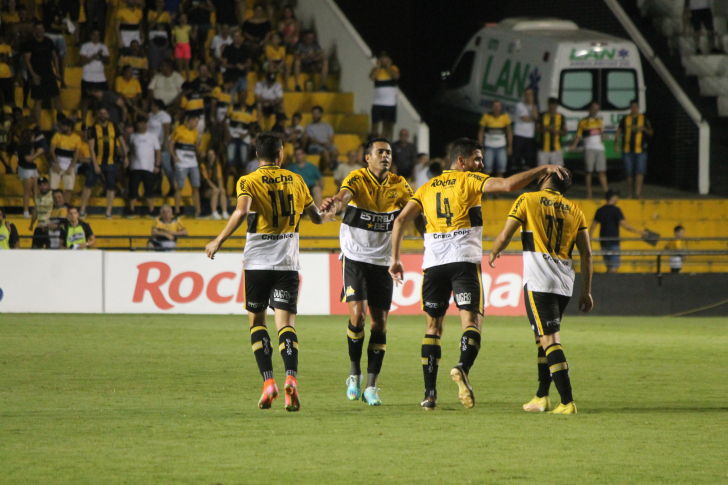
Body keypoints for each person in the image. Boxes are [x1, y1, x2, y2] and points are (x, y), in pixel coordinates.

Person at [389, 138, 567, 410]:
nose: (481, 165)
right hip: (463, 262)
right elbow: (508, 185)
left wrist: (395, 259)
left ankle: (429, 394)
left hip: (433, 264)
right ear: (461, 162)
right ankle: (462, 367)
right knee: (472, 323)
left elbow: (400, 219)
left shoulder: (425, 188)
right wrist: (542, 169)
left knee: (432, 328)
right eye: (477, 159)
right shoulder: (469, 180)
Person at [205, 132, 334, 411]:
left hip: (256, 264)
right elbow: (316, 217)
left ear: (256, 155)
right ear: (281, 154)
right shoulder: (297, 180)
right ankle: (291, 379)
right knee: (286, 325)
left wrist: (218, 240)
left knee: (257, 323)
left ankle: (268, 383)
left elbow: (241, 213)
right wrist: (329, 215)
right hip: (287, 264)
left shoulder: (248, 181)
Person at [320, 138, 422, 405]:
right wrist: (335, 204)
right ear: (368, 158)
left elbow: (416, 212)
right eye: (380, 152)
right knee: (359, 315)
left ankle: (371, 386)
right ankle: (354, 373)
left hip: (382, 261)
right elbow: (344, 197)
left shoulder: (400, 185)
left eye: (388, 152)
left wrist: (431, 240)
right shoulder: (356, 179)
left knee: (380, 324)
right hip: (354, 258)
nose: (386, 156)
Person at [488, 169, 593, 415]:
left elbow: (506, 234)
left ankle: (567, 402)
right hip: (564, 284)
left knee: (549, 340)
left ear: (546, 179)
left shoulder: (527, 200)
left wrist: (494, 251)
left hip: (539, 281)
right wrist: (586, 292)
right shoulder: (575, 209)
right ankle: (541, 396)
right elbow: (587, 254)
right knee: (542, 339)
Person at [80, 108, 129, 219]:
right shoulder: (93, 129)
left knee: (111, 187)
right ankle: (82, 210)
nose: (103, 115)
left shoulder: (114, 127)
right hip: (97, 162)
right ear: (98, 115)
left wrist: (125, 157)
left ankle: (108, 212)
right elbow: (91, 148)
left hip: (111, 162)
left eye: (105, 113)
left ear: (108, 114)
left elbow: (122, 143)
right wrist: (96, 164)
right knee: (88, 185)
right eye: (101, 113)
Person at [589, 190, 649, 273]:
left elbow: (593, 226)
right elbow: (624, 225)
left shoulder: (600, 210)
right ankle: (609, 283)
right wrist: (639, 232)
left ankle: (607, 282)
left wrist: (589, 238)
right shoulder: (616, 210)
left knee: (609, 265)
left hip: (603, 241)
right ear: (613, 198)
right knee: (614, 266)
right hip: (614, 241)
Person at [23, 22, 63, 125]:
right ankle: (39, 125)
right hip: (37, 75)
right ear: (34, 31)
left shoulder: (49, 41)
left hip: (49, 73)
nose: (39, 31)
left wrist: (57, 71)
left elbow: (54, 57)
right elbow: (27, 60)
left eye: (41, 29)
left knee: (56, 97)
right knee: (38, 100)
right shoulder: (30, 43)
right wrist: (34, 75)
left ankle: (61, 121)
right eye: (37, 29)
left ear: (44, 30)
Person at [614, 100, 653, 199]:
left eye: (635, 107)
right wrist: (616, 144)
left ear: (638, 108)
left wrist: (643, 129)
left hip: (640, 150)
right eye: (632, 107)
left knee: (640, 172)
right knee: (629, 172)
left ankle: (638, 193)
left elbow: (651, 133)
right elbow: (619, 131)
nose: (634, 109)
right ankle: (630, 193)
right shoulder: (625, 119)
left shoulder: (643, 119)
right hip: (627, 150)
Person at [570, 101, 607, 199]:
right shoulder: (583, 122)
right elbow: (578, 135)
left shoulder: (599, 121)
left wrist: (604, 136)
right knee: (588, 172)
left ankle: (606, 192)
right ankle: (589, 193)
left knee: (601, 171)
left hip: (600, 149)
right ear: (590, 109)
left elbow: (602, 134)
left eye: (597, 109)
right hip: (589, 149)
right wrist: (574, 146)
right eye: (593, 109)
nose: (595, 111)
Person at [127, 116, 161, 217]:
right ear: (137, 125)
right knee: (133, 189)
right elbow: (129, 151)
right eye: (140, 123)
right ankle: (131, 210)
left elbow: (158, 151)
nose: (142, 125)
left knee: (149, 189)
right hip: (135, 167)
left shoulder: (153, 136)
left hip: (149, 167)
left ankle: (151, 210)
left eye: (144, 123)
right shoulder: (132, 136)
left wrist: (157, 165)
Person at [171, 115, 202, 217]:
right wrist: (174, 156)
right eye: (195, 122)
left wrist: (200, 153)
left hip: (193, 163)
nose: (196, 125)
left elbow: (195, 146)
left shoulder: (195, 132)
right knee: (179, 187)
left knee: (196, 187)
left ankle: (198, 211)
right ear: (190, 119)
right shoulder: (179, 130)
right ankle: (177, 210)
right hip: (181, 163)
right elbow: (171, 145)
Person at [79, 29, 111, 125]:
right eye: (94, 34)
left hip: (101, 78)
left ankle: (100, 121)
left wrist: (100, 56)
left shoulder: (103, 47)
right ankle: (84, 123)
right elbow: (82, 61)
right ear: (90, 36)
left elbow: (108, 61)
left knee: (103, 101)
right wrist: (95, 55)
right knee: (86, 100)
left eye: (98, 35)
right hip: (88, 77)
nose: (96, 37)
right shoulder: (85, 46)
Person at [50, 118, 82, 204]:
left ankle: (66, 206)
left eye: (64, 126)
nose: (62, 128)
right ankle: (53, 207)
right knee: (53, 188)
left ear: (69, 127)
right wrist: (56, 164)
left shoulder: (77, 138)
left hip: (69, 164)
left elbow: (76, 154)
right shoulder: (57, 135)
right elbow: (52, 150)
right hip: (56, 164)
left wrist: (71, 167)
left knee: (69, 188)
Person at [369, 51, 400, 141]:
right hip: (377, 102)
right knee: (375, 124)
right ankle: (373, 141)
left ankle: (386, 143)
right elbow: (372, 77)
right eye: (382, 58)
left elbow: (396, 76)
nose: (384, 60)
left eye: (386, 58)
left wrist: (388, 67)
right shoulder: (375, 69)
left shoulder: (393, 68)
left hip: (390, 103)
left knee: (388, 125)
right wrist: (378, 66)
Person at [226, 102, 257, 187]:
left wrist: (246, 134)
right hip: (232, 136)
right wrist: (227, 133)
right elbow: (226, 120)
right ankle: (226, 187)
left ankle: (240, 188)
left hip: (244, 139)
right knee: (229, 163)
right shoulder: (233, 107)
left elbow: (253, 125)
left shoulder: (251, 110)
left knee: (243, 164)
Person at [478, 100, 512, 178]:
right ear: (492, 107)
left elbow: (509, 132)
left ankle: (498, 189)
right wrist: (480, 146)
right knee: (487, 169)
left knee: (501, 170)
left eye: (498, 106)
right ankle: (484, 188)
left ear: (501, 108)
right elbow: (481, 132)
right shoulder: (486, 116)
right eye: (495, 106)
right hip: (489, 147)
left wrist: (510, 146)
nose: (496, 108)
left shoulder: (505, 117)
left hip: (501, 147)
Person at [16, 128, 45, 218]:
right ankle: (26, 212)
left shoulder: (30, 146)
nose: (34, 137)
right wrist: (38, 153)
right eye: (32, 135)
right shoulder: (23, 146)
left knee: (36, 191)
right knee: (28, 190)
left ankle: (37, 211)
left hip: (32, 169)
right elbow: (28, 159)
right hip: (25, 169)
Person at [302, 105, 338, 173]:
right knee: (325, 152)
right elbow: (312, 140)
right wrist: (323, 144)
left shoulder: (328, 126)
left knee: (335, 151)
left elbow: (331, 137)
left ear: (321, 114)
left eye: (317, 113)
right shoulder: (309, 126)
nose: (315, 115)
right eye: (313, 113)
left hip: (327, 144)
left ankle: (332, 164)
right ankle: (331, 166)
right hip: (315, 146)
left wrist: (328, 143)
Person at [511, 88, 538, 170]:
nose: (528, 96)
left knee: (528, 157)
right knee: (517, 155)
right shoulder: (520, 105)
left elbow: (536, 116)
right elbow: (525, 119)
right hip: (519, 134)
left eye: (530, 94)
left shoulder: (534, 107)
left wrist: (532, 104)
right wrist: (533, 118)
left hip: (529, 136)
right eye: (527, 94)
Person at [536, 97, 567, 167]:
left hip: (556, 149)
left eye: (555, 106)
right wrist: (547, 129)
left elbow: (565, 131)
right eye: (551, 105)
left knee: (558, 171)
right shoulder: (542, 116)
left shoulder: (561, 117)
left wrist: (557, 131)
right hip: (543, 149)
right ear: (548, 105)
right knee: (542, 170)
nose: (553, 107)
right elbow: (537, 130)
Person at [221, 30, 251, 99]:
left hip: (242, 76)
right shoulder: (228, 48)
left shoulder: (245, 48)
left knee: (243, 96)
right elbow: (224, 63)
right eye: (235, 36)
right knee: (231, 97)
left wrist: (243, 66)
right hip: (231, 77)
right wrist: (235, 66)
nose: (237, 38)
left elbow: (249, 62)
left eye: (239, 36)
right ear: (232, 38)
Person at [200, 149, 228, 219]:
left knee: (222, 191)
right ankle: (214, 212)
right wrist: (214, 187)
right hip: (205, 189)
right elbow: (206, 180)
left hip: (214, 187)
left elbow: (219, 178)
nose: (211, 156)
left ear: (215, 156)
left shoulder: (217, 165)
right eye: (209, 155)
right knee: (215, 191)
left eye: (212, 155)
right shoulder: (203, 165)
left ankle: (224, 212)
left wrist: (221, 187)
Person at [147, 0, 172, 74]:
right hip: (154, 40)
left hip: (164, 40)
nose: (160, 4)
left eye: (162, 2)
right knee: (154, 64)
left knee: (165, 63)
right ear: (156, 3)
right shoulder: (151, 13)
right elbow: (150, 26)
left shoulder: (166, 14)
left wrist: (170, 20)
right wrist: (158, 16)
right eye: (158, 2)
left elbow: (171, 28)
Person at [29, 176, 54, 248]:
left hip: (48, 226)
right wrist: (31, 224)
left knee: (50, 249)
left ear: (48, 184)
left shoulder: (52, 195)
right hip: (39, 226)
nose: (43, 187)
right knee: (35, 249)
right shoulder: (37, 196)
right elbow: (35, 211)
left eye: (44, 184)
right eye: (40, 185)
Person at [172, 13, 192, 80]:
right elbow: (172, 38)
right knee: (179, 67)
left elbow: (193, 36)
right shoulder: (175, 28)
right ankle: (180, 83)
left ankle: (188, 81)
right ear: (179, 19)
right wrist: (173, 43)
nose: (183, 20)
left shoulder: (188, 27)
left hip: (186, 46)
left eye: (185, 18)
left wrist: (194, 31)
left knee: (187, 66)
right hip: (178, 47)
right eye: (182, 18)